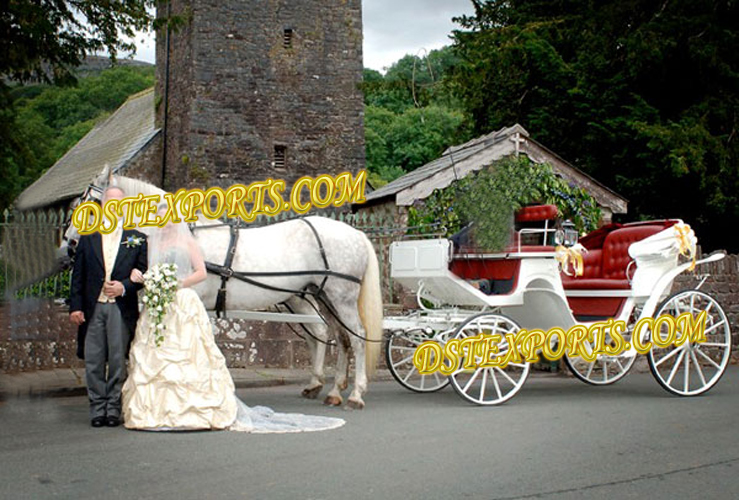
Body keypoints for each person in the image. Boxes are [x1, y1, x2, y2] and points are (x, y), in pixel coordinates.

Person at [121, 205, 345, 433]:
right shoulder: (152, 244)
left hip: (181, 301)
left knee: (187, 355)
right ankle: (157, 409)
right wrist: (140, 276)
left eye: (168, 218)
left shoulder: (188, 241)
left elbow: (201, 272)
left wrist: (176, 284)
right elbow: (143, 269)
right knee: (158, 356)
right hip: (160, 306)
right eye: (160, 218)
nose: (165, 222)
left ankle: (190, 408)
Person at [69, 186, 148, 428]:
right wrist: (76, 307)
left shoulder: (137, 238)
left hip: (120, 308)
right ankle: (97, 409)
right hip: (93, 308)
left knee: (116, 360)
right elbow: (78, 276)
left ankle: (113, 408)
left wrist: (123, 287)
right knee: (93, 360)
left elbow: (143, 273)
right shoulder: (88, 237)